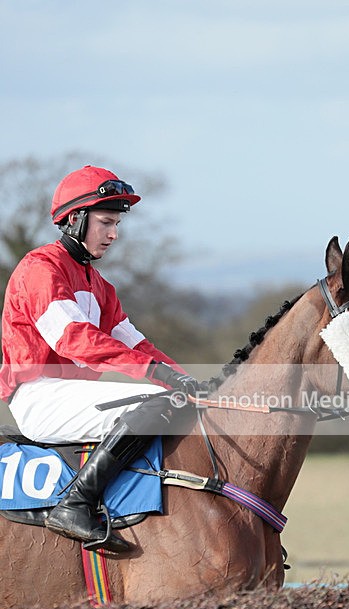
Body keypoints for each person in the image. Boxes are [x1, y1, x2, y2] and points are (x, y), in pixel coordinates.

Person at [0, 165, 206, 553]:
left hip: (71, 395)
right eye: (106, 222)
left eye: (117, 224)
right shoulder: (40, 269)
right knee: (153, 402)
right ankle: (74, 506)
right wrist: (155, 375)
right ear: (75, 220)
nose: (114, 234)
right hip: (38, 396)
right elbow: (73, 340)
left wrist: (187, 380)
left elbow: (138, 345)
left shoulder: (101, 287)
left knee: (173, 401)